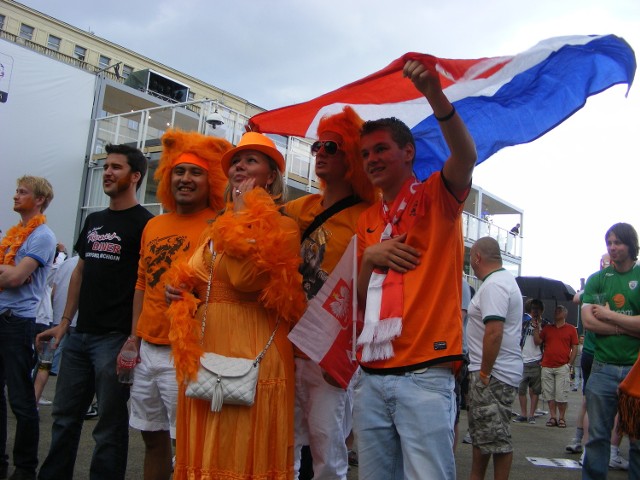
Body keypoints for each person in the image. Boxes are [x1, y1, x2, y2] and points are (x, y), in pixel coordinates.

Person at [354, 59, 477, 479]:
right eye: (366, 153)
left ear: (408, 152)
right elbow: (360, 301)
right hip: (371, 375)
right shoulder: (368, 217)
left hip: (425, 374)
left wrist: (434, 95)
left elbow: (465, 154)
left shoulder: (437, 196)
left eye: (381, 149)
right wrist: (370, 258)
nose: (372, 159)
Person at [166, 132, 306, 479]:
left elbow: (245, 279)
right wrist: (180, 291)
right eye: (236, 162)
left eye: (251, 160)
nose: (240, 166)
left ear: (271, 176)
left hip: (256, 346)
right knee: (206, 443)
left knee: (242, 444)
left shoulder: (284, 227)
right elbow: (200, 279)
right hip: (209, 342)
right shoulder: (213, 228)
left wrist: (243, 214)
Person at [118, 130, 230, 480]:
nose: (185, 179)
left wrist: (195, 299)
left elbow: (226, 289)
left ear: (210, 179)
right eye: (179, 171)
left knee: (189, 446)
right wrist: (134, 336)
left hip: (187, 353)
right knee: (151, 440)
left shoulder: (218, 225)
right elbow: (141, 282)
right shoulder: (154, 223)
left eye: (195, 172)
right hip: (146, 350)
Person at [37, 144, 153, 480]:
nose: (107, 173)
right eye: (105, 167)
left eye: (116, 167)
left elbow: (143, 285)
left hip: (115, 340)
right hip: (79, 335)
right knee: (64, 417)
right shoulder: (94, 220)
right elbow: (80, 272)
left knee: (109, 427)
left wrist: (134, 337)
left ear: (135, 176)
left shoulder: (146, 224)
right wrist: (63, 323)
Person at [284, 106, 375, 480]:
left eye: (332, 147)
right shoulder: (297, 209)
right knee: (282, 448)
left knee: (327, 452)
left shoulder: (369, 217)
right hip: (285, 347)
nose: (321, 152)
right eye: (317, 146)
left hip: (329, 353)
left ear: (351, 155)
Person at [0, 176, 56, 480]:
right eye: (16, 190)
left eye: (22, 192)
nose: (15, 195)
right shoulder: (15, 234)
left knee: (21, 400)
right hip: (3, 318)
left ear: (39, 200)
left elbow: (15, 278)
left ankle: (24, 468)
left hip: (18, 322)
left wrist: (11, 273)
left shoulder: (42, 235)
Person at [581, 222, 640, 479]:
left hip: (635, 370)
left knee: (638, 441)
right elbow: (589, 323)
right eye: (609, 243)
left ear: (631, 245)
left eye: (618, 242)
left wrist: (608, 315)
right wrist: (626, 327)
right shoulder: (597, 280)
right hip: (602, 368)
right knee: (597, 438)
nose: (613, 248)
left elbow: (600, 318)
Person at [466, 237, 523, 480]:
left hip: (494, 374)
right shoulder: (502, 281)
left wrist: (484, 374)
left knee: (497, 439)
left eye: (471, 259)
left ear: (477, 257)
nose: (471, 264)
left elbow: (494, 332)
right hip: (496, 372)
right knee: (484, 436)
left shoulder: (494, 285)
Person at [533, 305, 578, 428]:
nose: (556, 312)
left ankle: (562, 417)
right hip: (547, 365)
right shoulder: (548, 329)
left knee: (561, 394)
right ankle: (553, 417)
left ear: (565, 314)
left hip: (562, 365)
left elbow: (575, 346)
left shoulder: (571, 329)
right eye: (555, 310)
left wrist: (570, 363)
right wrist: (536, 328)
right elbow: (537, 341)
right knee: (549, 394)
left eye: (559, 310)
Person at [513, 298, 544, 424]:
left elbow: (538, 342)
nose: (535, 311)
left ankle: (531, 414)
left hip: (537, 359)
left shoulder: (544, 324)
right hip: (522, 359)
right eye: (533, 309)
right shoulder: (524, 322)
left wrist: (537, 327)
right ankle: (524, 414)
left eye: (537, 309)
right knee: (521, 389)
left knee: (535, 389)